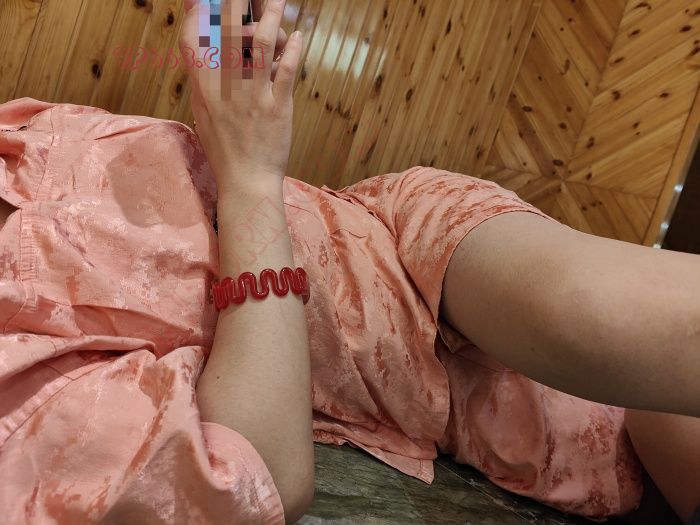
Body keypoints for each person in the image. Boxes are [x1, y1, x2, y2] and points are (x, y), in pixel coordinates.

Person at [0, 0, 698, 523]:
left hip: (404, 227)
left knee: (583, 306)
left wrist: (232, 43)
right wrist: (249, 178)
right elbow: (258, 475)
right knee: (640, 408)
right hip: (465, 396)